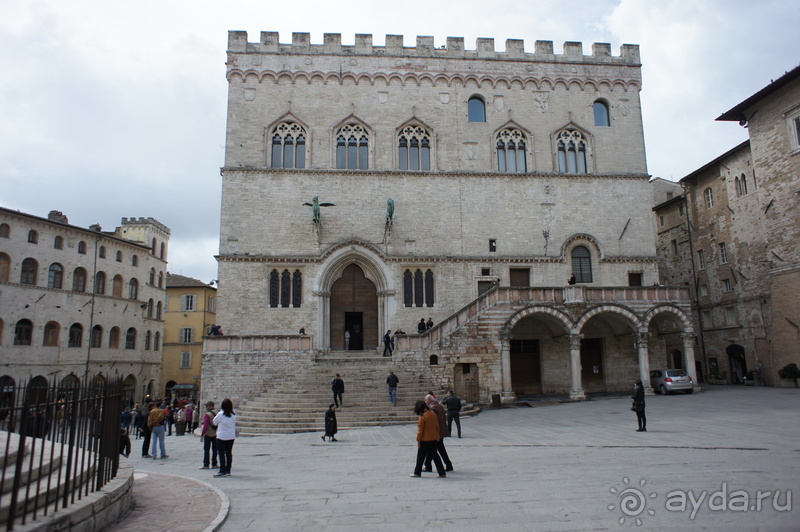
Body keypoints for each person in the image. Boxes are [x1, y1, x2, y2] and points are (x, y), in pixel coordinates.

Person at [410, 400, 446, 478]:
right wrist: (437, 436)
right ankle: (442, 472)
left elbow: (420, 430)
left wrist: (418, 440)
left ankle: (417, 472)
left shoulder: (422, 417)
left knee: (420, 457)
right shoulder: (433, 414)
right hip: (433, 438)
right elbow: (437, 427)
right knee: (436, 456)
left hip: (424, 440)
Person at [423, 394, 453, 473]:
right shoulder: (440, 406)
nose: (425, 402)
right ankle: (448, 464)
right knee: (440, 448)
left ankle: (428, 466)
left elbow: (433, 422)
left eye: (426, 400)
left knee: (431, 449)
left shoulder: (433, 408)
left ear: (430, 400)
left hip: (436, 432)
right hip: (441, 431)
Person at [213, 398, 237, 477]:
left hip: (222, 436)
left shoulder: (221, 414)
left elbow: (214, 422)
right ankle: (228, 470)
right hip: (231, 436)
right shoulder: (233, 414)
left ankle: (222, 470)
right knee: (228, 453)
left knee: (221, 453)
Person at [200, 401, 219, 469]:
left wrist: (202, 434)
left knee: (206, 449)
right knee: (215, 449)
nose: (206, 407)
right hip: (216, 433)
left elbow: (205, 425)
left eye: (207, 406)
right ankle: (214, 464)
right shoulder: (217, 413)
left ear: (211, 406)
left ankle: (206, 464)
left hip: (208, 433)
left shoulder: (207, 414)